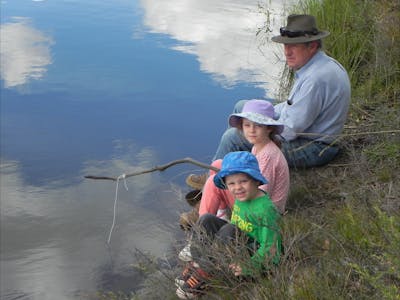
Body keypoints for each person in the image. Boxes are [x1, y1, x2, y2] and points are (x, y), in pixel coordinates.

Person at [185, 14, 351, 190]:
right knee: (242, 106)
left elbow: (290, 130)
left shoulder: (315, 79)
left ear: (312, 46)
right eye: (286, 45)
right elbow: (291, 108)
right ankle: (227, 167)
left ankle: (215, 185)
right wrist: (262, 113)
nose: (287, 52)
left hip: (315, 148)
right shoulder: (319, 65)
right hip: (309, 134)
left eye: (294, 46)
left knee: (233, 138)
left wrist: (260, 131)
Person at [175, 151, 282, 299]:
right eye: (231, 183)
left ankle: (207, 274)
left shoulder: (265, 209)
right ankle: (199, 265)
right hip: (240, 246)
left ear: (256, 181)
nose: (237, 187)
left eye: (243, 181)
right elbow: (238, 226)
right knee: (207, 219)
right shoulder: (242, 197)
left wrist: (250, 266)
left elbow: (271, 248)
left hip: (256, 259)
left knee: (229, 229)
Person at [179, 100, 289, 230]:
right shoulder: (259, 146)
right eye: (247, 125)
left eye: (258, 126)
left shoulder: (267, 155)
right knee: (219, 165)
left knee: (213, 183)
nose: (252, 130)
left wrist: (232, 184)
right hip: (258, 205)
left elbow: (262, 194)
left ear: (269, 128)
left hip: (264, 214)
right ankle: (221, 215)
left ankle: (203, 228)